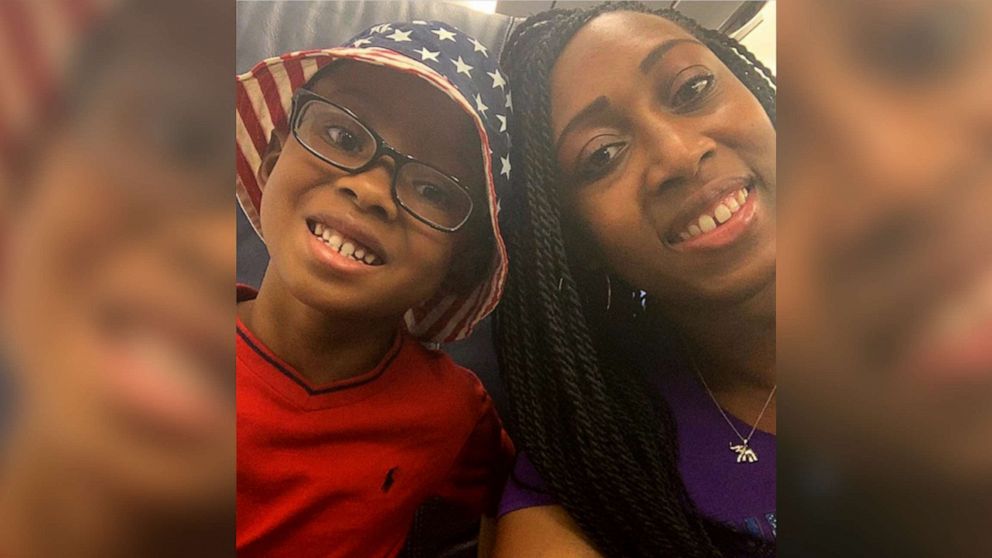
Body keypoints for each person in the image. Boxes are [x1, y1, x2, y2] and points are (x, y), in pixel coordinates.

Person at [491, 3, 776, 557]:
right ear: (579, 245)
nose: (680, 154)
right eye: (603, 155)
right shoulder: (595, 470)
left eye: (691, 88)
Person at [233, 21, 514, 557]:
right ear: (271, 162)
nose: (369, 191)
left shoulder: (450, 411)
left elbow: (513, 492)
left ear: (460, 263)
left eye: (433, 189)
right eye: (341, 135)